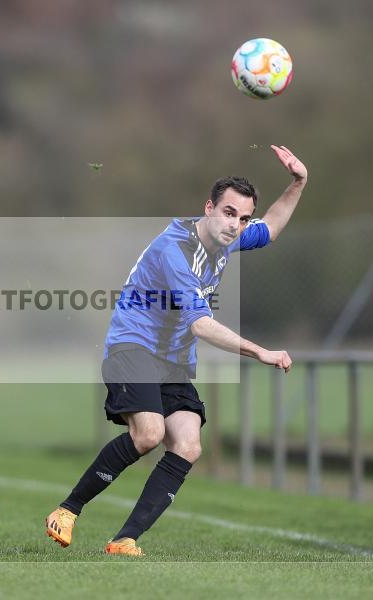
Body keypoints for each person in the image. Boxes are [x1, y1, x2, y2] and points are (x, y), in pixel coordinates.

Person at [46, 145, 307, 556]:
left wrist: (298, 182)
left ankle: (124, 540)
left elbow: (271, 227)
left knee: (188, 444)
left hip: (172, 360)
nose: (236, 224)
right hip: (132, 346)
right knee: (148, 434)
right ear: (209, 208)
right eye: (229, 213)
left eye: (243, 218)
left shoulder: (227, 239)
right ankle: (67, 510)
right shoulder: (175, 249)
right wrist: (261, 352)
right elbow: (200, 325)